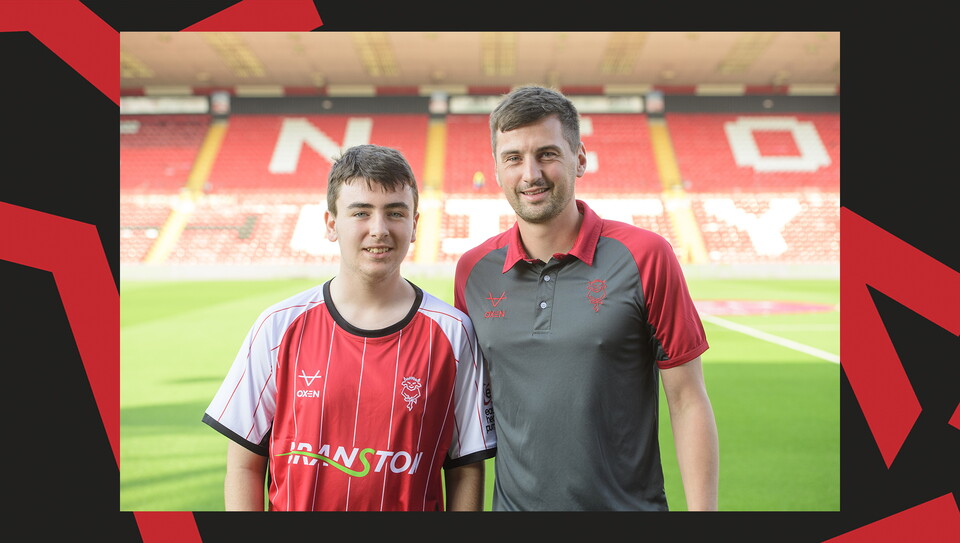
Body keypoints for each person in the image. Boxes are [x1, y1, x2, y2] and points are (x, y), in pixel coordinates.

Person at [454, 86, 718, 511]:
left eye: (547, 154)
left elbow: (687, 399)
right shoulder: (473, 271)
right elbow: (466, 421)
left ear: (579, 157)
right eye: (513, 158)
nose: (530, 174)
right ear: (497, 169)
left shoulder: (646, 256)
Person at [203, 144, 496, 511]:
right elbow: (245, 465)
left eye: (395, 213)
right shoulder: (278, 327)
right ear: (331, 224)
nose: (379, 229)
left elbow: (465, 470)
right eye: (361, 212)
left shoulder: (454, 334)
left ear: (415, 225)